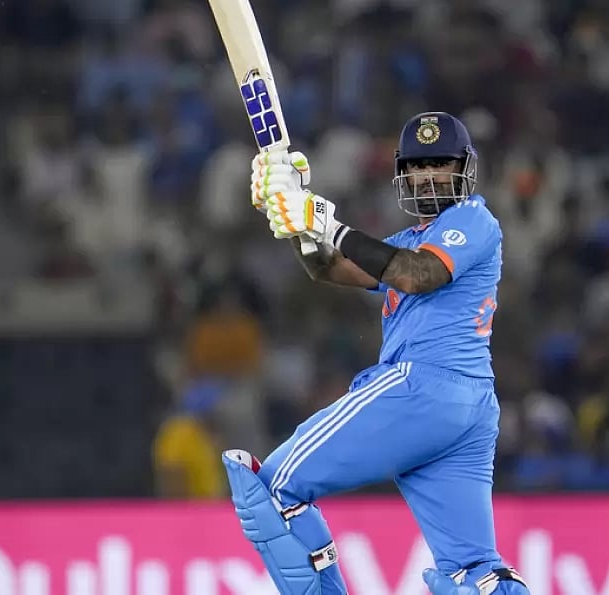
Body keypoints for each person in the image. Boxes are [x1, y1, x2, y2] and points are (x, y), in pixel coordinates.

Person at [224, 112, 527, 595]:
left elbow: (417, 275)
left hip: (423, 385)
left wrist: (324, 221)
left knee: (274, 488)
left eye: (441, 164)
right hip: (466, 409)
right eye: (418, 166)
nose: (428, 175)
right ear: (402, 174)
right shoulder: (408, 239)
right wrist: (291, 218)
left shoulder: (473, 220)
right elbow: (330, 269)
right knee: (475, 570)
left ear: (464, 169)